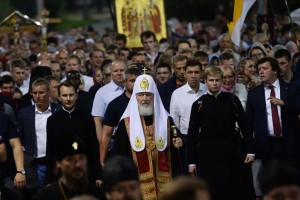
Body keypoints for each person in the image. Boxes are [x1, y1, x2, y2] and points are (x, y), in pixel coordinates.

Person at [188, 66, 255, 200]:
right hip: (208, 155)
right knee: (211, 189)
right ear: (205, 81)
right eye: (211, 80)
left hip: (231, 153)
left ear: (221, 81)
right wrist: (191, 162)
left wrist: (250, 151)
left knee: (232, 189)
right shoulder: (199, 104)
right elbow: (192, 134)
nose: (214, 83)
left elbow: (245, 127)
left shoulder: (233, 100)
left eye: (217, 80)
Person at [113, 74, 183, 199]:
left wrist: (179, 143)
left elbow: (177, 148)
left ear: (154, 96)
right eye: (140, 95)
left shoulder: (166, 120)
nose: (144, 99)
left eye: (148, 95)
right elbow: (121, 153)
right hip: (137, 183)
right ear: (135, 97)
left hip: (164, 180)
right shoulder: (125, 124)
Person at [45, 80, 101, 186]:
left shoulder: (87, 118)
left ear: (76, 96)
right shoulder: (52, 120)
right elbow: (51, 150)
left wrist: (98, 175)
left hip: (86, 171)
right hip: (62, 173)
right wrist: (49, 179)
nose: (68, 99)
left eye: (71, 95)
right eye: (64, 95)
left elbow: (94, 147)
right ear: (59, 97)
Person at [17, 78, 61, 192]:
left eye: (41, 92)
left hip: (53, 161)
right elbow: (19, 136)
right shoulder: (25, 113)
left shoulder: (58, 111)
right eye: (34, 93)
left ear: (49, 93)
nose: (37, 96)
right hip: (31, 162)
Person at [32, 133, 103, 200]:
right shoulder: (45, 197)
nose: (78, 164)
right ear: (59, 163)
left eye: (81, 158)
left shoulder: (97, 194)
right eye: (70, 160)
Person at [170, 59, 207, 174]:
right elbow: (174, 121)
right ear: (185, 73)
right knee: (189, 175)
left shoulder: (208, 90)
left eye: (196, 72)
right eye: (190, 72)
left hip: (206, 139)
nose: (193, 75)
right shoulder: (177, 94)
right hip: (186, 141)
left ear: (201, 73)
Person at [100, 68, 141, 164]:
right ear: (124, 81)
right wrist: (102, 162)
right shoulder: (115, 104)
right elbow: (106, 134)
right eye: (132, 81)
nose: (135, 84)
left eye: (137, 81)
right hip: (122, 150)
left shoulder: (146, 102)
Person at [92, 60, 126, 143]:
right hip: (111, 139)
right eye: (115, 71)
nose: (119, 73)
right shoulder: (102, 92)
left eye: (122, 70)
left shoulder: (133, 90)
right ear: (111, 73)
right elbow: (97, 120)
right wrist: (102, 143)